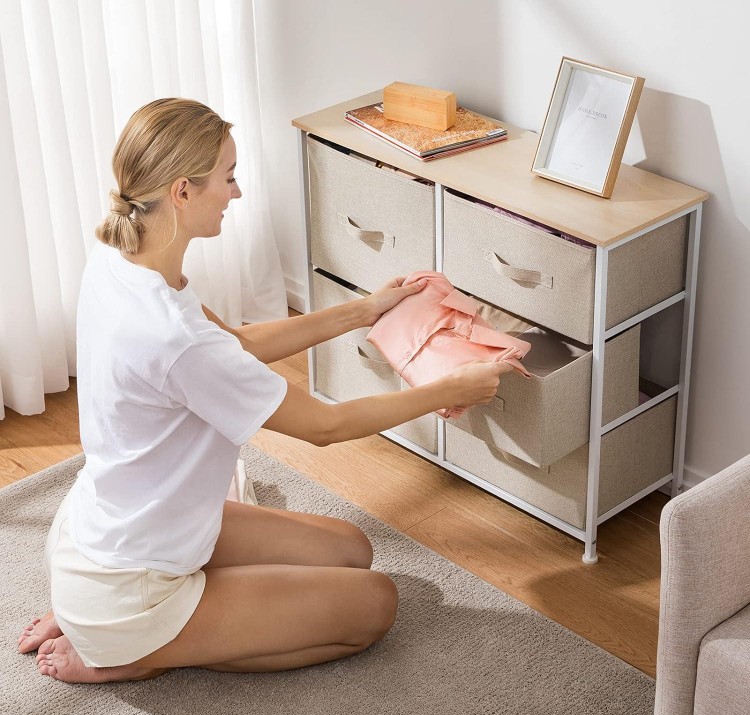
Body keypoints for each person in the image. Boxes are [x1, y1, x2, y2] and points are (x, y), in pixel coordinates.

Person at [17, 97, 511, 684]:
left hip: (121, 531)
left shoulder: (122, 263)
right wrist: (447, 389)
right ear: (181, 191)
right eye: (227, 177)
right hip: (131, 582)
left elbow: (236, 344)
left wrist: (366, 310)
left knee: (351, 549)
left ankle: (98, 618)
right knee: (375, 603)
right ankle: (130, 650)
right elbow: (326, 428)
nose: (237, 192)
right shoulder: (173, 336)